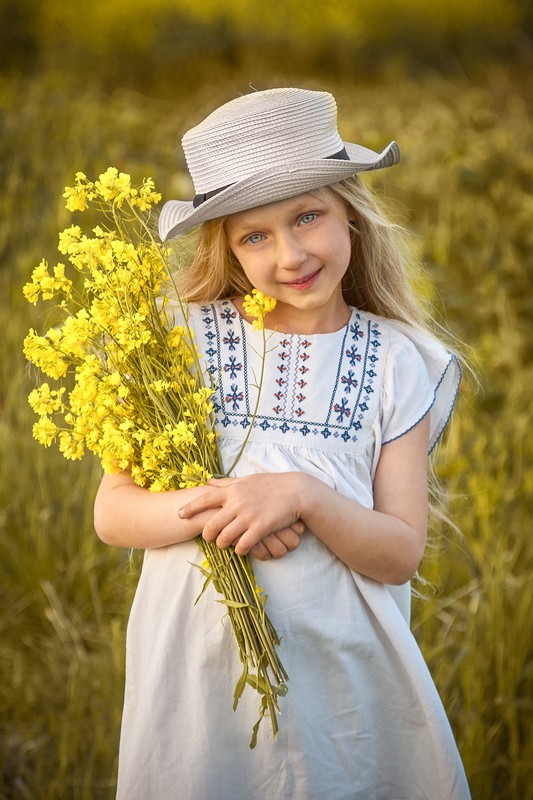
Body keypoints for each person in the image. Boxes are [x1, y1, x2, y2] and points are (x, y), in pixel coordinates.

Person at [94, 87, 471, 799]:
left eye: (307, 217)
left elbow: (397, 554)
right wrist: (229, 508)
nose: (291, 254)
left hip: (348, 684)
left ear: (350, 215)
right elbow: (114, 513)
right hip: (199, 678)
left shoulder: (397, 359)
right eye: (255, 236)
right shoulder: (173, 342)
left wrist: (299, 496)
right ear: (228, 250)